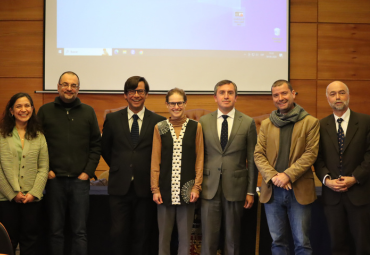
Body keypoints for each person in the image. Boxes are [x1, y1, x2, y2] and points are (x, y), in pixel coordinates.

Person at [37, 71, 101, 255]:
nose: (69, 88)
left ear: (78, 89)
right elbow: (37, 144)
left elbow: (96, 145)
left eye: (73, 85)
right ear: (58, 87)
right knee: (55, 231)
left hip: (80, 182)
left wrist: (87, 173)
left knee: (79, 232)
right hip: (53, 180)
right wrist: (46, 170)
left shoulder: (88, 112)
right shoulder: (45, 111)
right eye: (65, 84)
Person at [101, 76, 166, 255]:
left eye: (140, 91)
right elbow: (105, 148)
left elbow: (161, 154)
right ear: (125, 95)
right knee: (118, 233)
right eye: (132, 91)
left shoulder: (158, 121)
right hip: (119, 186)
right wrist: (120, 166)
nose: (136, 95)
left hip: (145, 187)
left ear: (146, 95)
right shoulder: (112, 119)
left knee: (143, 235)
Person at [254, 79, 320, 255]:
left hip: (299, 191)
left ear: (293, 94)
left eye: (284, 93)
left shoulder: (310, 122)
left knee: (302, 243)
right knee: (277, 242)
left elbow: (310, 154)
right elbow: (258, 155)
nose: (280, 98)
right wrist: (275, 177)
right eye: (276, 95)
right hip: (272, 191)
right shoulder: (267, 124)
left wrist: (287, 175)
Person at [199, 80, 257, 255]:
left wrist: (250, 190)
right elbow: (199, 157)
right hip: (209, 187)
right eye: (222, 92)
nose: (226, 96)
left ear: (236, 97)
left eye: (230, 93)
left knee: (232, 239)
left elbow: (252, 159)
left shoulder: (247, 122)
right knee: (208, 238)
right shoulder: (203, 121)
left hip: (236, 188)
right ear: (215, 97)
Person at [314, 81, 370, 255]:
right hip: (332, 197)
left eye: (341, 93)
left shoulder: (366, 121)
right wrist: (327, 180)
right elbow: (317, 158)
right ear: (327, 98)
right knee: (336, 245)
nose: (337, 97)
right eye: (332, 94)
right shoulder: (320, 125)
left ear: (348, 95)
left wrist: (355, 178)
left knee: (363, 245)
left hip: (360, 194)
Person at [151, 88, 204, 255]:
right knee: (163, 239)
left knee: (184, 239)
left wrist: (196, 187)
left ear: (185, 104)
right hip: (164, 191)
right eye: (172, 103)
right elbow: (155, 160)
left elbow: (200, 159)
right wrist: (155, 189)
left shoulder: (196, 127)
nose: (176, 107)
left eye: (179, 103)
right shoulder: (160, 128)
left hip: (187, 192)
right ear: (167, 105)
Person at [0, 92, 48, 255]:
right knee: (8, 241)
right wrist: (12, 193)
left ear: (32, 109)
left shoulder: (39, 136)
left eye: (27, 105)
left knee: (30, 241)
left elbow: (43, 167)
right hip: (6, 199)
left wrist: (34, 193)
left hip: (32, 200)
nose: (23, 109)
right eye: (19, 106)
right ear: (11, 111)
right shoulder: (1, 135)